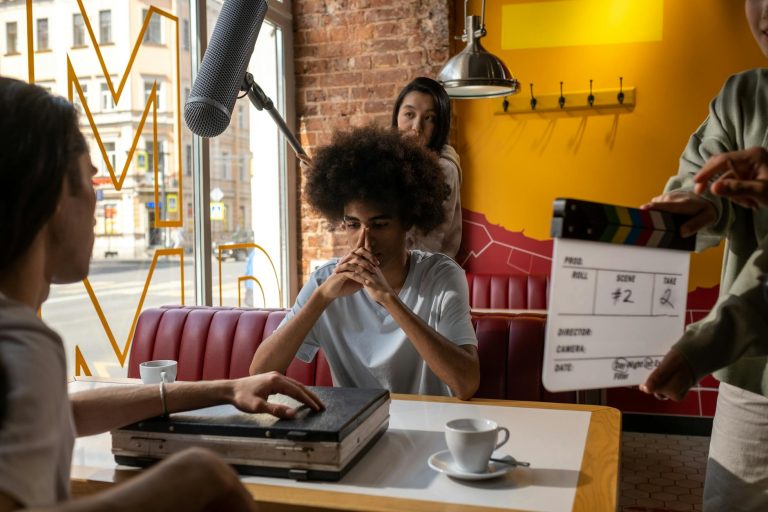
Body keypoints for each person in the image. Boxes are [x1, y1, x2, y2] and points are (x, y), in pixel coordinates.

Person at [0, 76, 324, 511]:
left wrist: (225, 389)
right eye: (91, 180)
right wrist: (192, 476)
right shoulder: (20, 344)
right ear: (56, 192)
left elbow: (65, 414)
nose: (99, 202)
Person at [639, 2, 768, 509]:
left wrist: (707, 342)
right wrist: (693, 208)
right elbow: (705, 184)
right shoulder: (743, 95)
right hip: (752, 376)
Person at [249, 125, 480, 400]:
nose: (364, 241)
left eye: (379, 225)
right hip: (354, 429)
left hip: (431, 426)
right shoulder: (326, 281)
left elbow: (466, 383)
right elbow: (259, 372)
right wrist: (321, 297)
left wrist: (388, 299)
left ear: (406, 221)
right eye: (353, 224)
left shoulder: (441, 276)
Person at [391, 77, 463, 259]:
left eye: (429, 118)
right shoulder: (393, 159)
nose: (417, 127)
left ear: (440, 125)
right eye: (409, 114)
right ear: (396, 116)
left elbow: (429, 242)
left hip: (426, 274)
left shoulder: (444, 167)